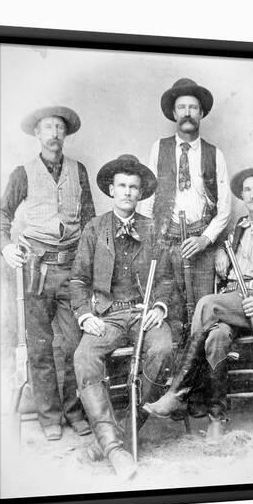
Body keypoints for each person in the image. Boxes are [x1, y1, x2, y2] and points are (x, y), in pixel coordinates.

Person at [143, 167, 253, 438]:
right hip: (232, 304)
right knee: (216, 337)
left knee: (207, 304)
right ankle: (216, 419)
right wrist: (222, 250)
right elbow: (229, 251)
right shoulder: (239, 228)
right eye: (247, 190)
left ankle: (179, 391)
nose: (252, 194)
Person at [70, 154, 175, 480]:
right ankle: (116, 449)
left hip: (143, 312)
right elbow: (78, 280)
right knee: (84, 356)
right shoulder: (95, 228)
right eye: (122, 186)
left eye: (134, 187)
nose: (128, 192)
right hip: (109, 315)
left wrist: (159, 307)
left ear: (140, 192)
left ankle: (119, 435)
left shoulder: (153, 228)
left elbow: (167, 280)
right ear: (111, 190)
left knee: (162, 349)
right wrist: (85, 314)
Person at [0, 106, 95, 441]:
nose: (54, 133)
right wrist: (5, 245)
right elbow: (1, 213)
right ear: (37, 135)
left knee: (72, 344)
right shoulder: (22, 173)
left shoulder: (78, 170)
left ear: (65, 135)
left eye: (59, 128)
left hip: (71, 268)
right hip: (36, 269)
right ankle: (49, 417)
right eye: (47, 128)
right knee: (40, 346)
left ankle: (74, 412)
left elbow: (90, 221)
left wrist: (88, 264)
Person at [139, 77, 231, 330]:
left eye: (193, 108)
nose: (187, 113)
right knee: (170, 313)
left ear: (201, 113)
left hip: (200, 245)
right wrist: (149, 243)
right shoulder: (159, 148)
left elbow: (224, 209)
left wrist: (206, 240)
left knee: (202, 316)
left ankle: (200, 370)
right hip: (166, 244)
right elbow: (148, 197)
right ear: (173, 113)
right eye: (182, 107)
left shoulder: (215, 154)